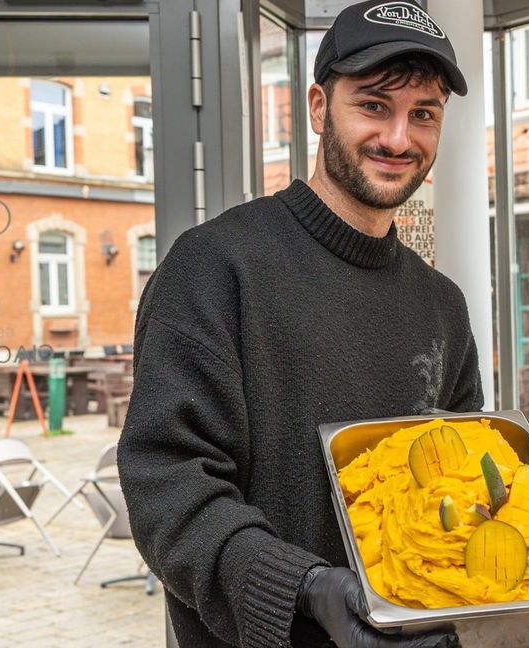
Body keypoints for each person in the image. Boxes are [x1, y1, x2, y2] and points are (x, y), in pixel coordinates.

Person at [119, 2, 479, 646]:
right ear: (318, 107)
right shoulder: (213, 268)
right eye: (373, 105)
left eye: (422, 113)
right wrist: (307, 590)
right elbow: (167, 490)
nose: (399, 138)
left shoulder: (442, 304)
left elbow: (457, 478)